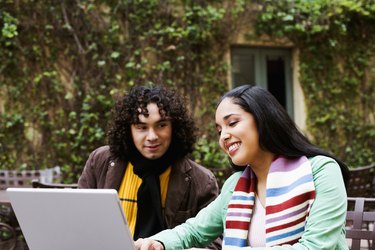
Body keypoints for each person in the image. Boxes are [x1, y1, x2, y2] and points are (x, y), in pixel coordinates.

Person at [135, 84, 350, 250]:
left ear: (263, 119)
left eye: (232, 123)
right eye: (219, 130)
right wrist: (158, 242)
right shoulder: (237, 185)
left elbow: (316, 247)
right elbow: (195, 230)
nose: (224, 136)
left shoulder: (322, 171)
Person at [78, 85, 221, 249]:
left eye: (161, 125)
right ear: (128, 130)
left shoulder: (202, 181)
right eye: (141, 127)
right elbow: (78, 219)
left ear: (174, 127)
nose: (152, 137)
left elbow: (214, 243)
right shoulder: (100, 161)